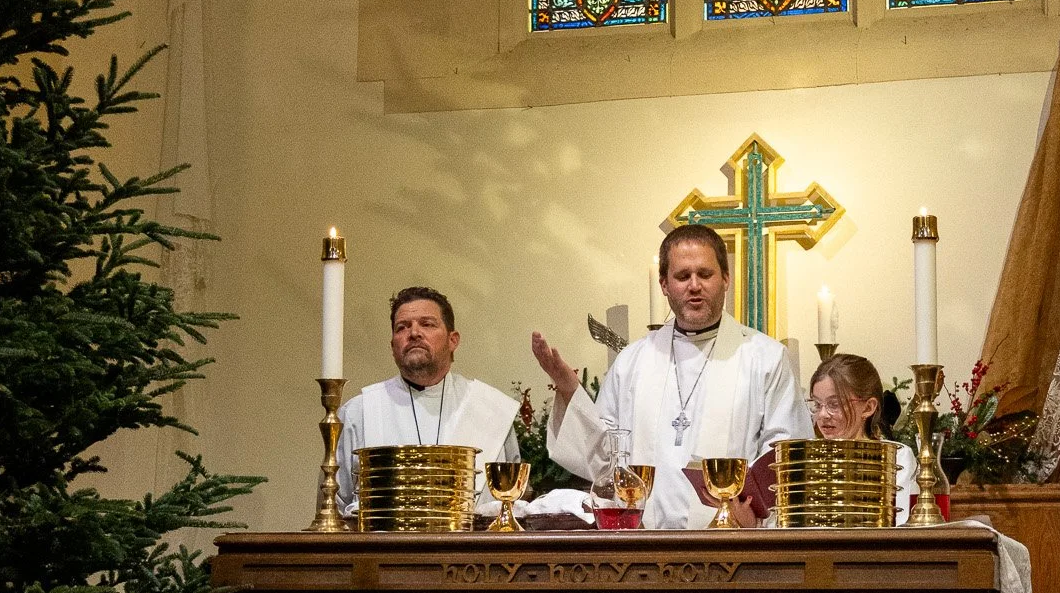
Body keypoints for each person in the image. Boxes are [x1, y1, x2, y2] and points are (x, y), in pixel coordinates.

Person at [531, 226, 808, 529]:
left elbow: (785, 458)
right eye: (682, 276)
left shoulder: (764, 358)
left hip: (733, 545)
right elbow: (605, 463)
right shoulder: (632, 363)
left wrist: (756, 518)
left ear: (726, 279)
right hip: (645, 551)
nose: (694, 286)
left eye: (705, 274)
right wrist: (571, 391)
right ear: (664, 284)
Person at [337, 287, 520, 519]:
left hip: (474, 554)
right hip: (384, 554)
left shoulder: (492, 410)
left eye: (427, 324)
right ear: (393, 346)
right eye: (402, 327)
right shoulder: (359, 412)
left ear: (453, 340)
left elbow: (514, 507)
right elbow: (335, 510)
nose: (414, 333)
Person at [731, 352, 911, 526]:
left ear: (868, 407)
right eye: (817, 405)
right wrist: (752, 523)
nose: (823, 415)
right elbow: (786, 528)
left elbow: (900, 525)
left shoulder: (897, 456)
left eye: (834, 404)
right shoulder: (802, 459)